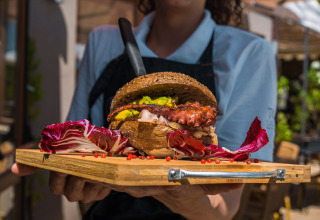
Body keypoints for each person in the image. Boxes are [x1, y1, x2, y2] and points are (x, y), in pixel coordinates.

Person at [12, 0, 277, 219]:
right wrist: (83, 178)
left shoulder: (250, 53)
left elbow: (225, 206)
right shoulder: (103, 41)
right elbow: (80, 147)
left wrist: (175, 193)